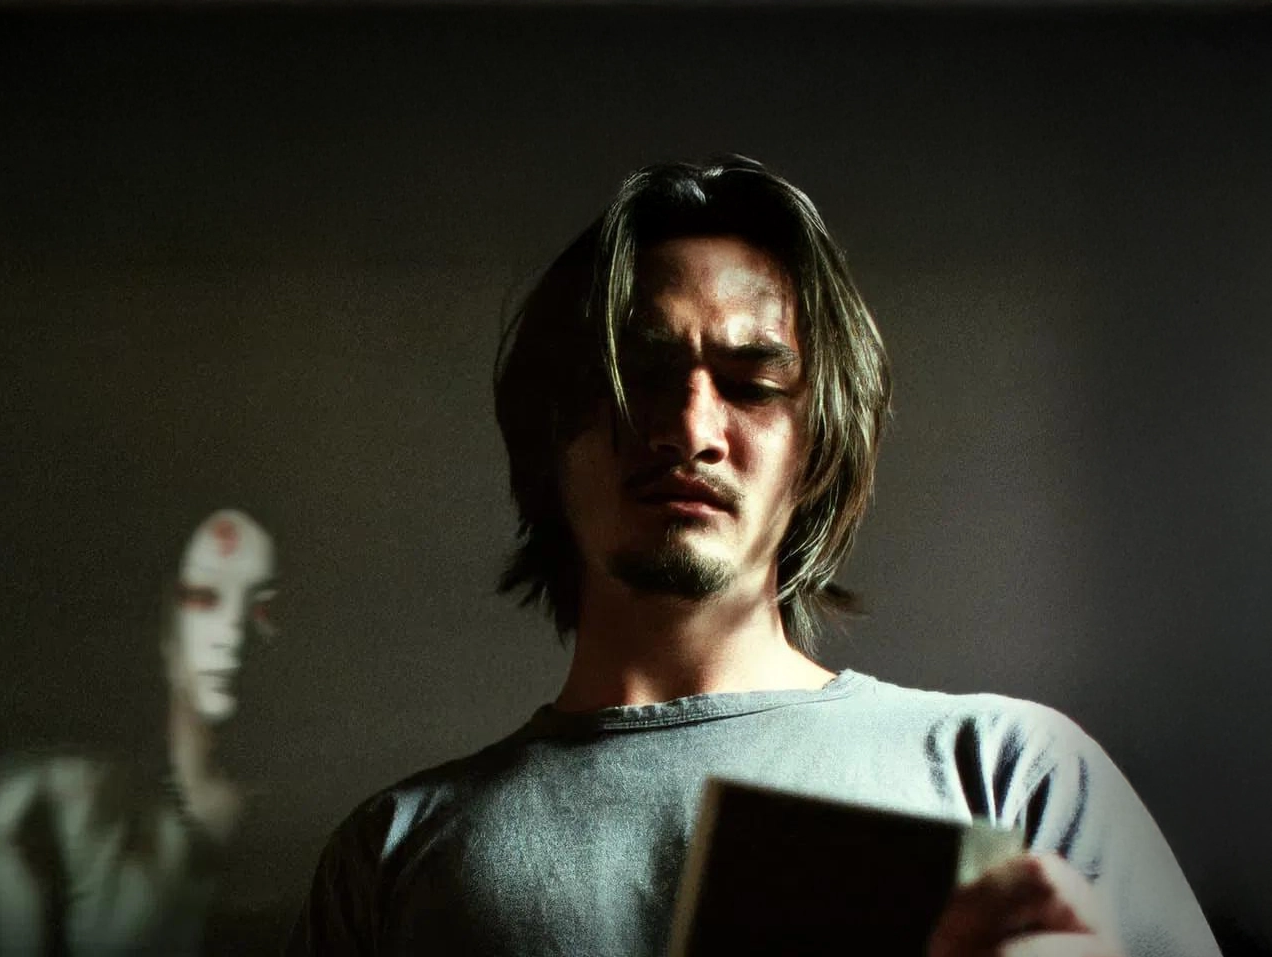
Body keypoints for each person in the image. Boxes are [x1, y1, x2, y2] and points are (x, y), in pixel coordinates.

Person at [284, 157, 1219, 956]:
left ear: (821, 447)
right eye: (641, 376)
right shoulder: (391, 854)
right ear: (552, 433)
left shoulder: (1012, 775)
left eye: (752, 383)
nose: (690, 429)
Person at [0, 508, 279, 956]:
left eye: (264, 608)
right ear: (165, 623)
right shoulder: (74, 805)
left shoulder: (318, 833)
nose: (233, 633)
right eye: (204, 596)